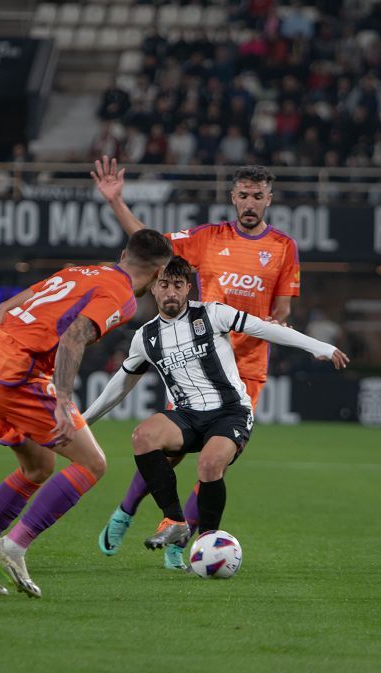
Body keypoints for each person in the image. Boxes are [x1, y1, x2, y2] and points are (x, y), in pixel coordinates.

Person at [92, 157, 301, 568]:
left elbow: (282, 309)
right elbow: (148, 245)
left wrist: (280, 320)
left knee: (214, 461)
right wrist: (116, 202)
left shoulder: (283, 248)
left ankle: (177, 543)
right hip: (196, 363)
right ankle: (126, 511)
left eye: (258, 196)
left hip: (247, 370)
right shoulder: (207, 238)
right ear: (232, 197)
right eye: (243, 195)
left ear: (269, 199)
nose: (250, 203)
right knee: (168, 453)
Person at [0, 229, 172, 598]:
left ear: (123, 252)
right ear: (160, 273)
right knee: (92, 463)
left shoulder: (78, 272)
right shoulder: (122, 296)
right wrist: (63, 399)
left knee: (37, 468)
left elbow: (5, 309)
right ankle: (13, 546)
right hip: (21, 375)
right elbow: (73, 337)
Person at [81, 257, 348, 566]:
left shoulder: (213, 314)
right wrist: (83, 421)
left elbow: (265, 329)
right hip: (187, 415)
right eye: (164, 285)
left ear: (187, 289)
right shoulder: (146, 337)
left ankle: (207, 542)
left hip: (230, 412)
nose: (171, 292)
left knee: (209, 465)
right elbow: (120, 385)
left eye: (178, 286)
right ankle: (174, 522)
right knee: (143, 436)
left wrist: (319, 347)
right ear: (154, 288)